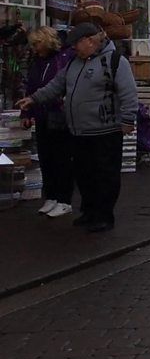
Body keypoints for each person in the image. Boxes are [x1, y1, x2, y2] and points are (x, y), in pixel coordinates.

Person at [17, 22, 138, 233]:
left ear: (90, 41)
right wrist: (33, 99)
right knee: (84, 175)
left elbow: (128, 94)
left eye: (76, 44)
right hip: (79, 131)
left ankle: (103, 216)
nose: (73, 48)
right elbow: (56, 85)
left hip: (105, 131)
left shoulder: (116, 61)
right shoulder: (74, 62)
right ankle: (89, 212)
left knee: (104, 176)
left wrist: (127, 121)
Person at [20, 27, 75, 218]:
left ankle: (64, 199)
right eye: (33, 45)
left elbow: (61, 86)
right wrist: (26, 112)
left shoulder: (63, 59)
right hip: (42, 116)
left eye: (37, 44)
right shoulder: (38, 62)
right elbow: (32, 87)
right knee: (46, 158)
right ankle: (51, 196)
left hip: (59, 116)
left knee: (61, 159)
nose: (35, 48)